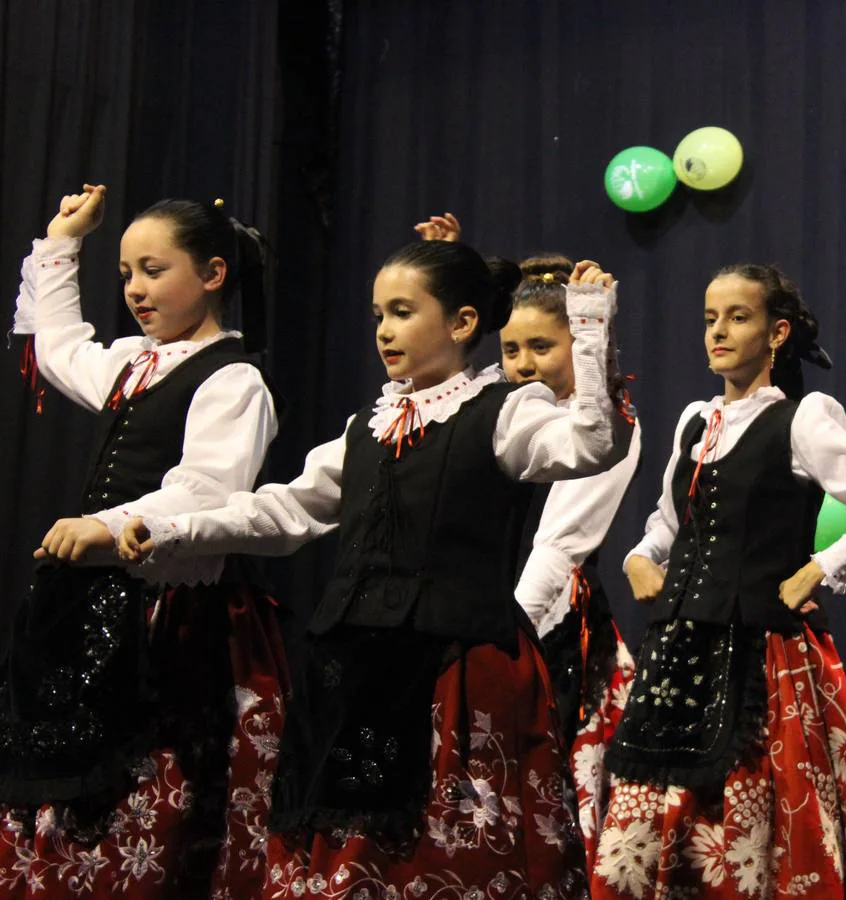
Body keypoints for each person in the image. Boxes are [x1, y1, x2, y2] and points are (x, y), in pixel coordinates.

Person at [119, 241, 633, 898]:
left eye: (401, 312)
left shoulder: (504, 412)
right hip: (353, 670)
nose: (385, 330)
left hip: (454, 670)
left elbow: (592, 442)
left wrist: (590, 327)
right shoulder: (368, 425)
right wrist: (172, 528)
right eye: (376, 315)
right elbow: (283, 512)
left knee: (446, 851)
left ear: (463, 322)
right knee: (345, 847)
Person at [593, 264, 846, 899]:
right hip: (680, 654)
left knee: (751, 828)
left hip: (761, 657)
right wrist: (641, 554)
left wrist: (820, 567)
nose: (718, 331)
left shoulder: (802, 419)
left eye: (737, 317)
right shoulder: (697, 420)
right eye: (710, 319)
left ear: (776, 333)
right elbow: (670, 517)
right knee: (644, 833)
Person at [0, 185, 286, 898]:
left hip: (175, 615)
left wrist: (105, 525)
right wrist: (65, 240)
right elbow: (58, 347)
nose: (134, 289)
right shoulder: (133, 363)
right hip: (99, 604)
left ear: (214, 275)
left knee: (154, 803)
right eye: (126, 272)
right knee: (71, 797)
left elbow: (206, 490)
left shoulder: (233, 379)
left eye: (153, 270)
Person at [501, 253, 641, 872]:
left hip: (551, 635)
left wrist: (506, 641)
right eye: (510, 349)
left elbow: (557, 547)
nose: (523, 364)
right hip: (480, 618)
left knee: (548, 803)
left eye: (540, 346)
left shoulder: (608, 426)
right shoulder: (503, 419)